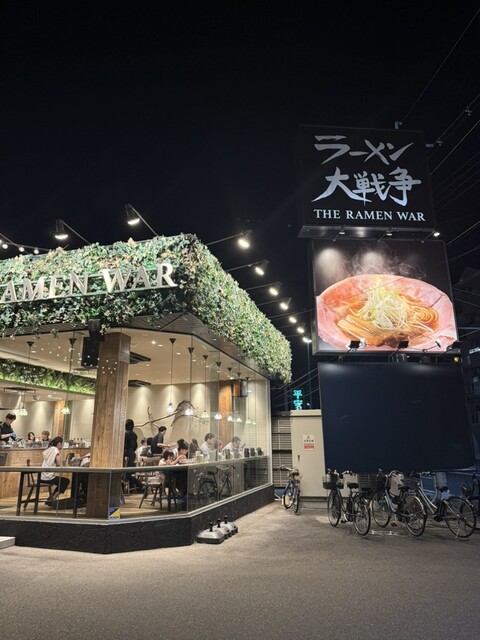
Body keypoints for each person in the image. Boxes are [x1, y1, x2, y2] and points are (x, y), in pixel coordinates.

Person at [41, 436, 70, 503]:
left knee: (62, 481)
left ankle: (51, 497)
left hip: (42, 476)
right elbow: (59, 463)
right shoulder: (55, 450)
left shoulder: (50, 449)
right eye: (62, 444)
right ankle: (53, 498)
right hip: (48, 477)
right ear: (59, 443)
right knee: (65, 481)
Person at [124, 418, 142, 491]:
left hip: (126, 454)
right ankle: (137, 487)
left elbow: (124, 445)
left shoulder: (125, 433)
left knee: (125, 474)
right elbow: (136, 446)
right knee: (129, 473)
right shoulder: (134, 434)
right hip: (132, 453)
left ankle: (140, 485)